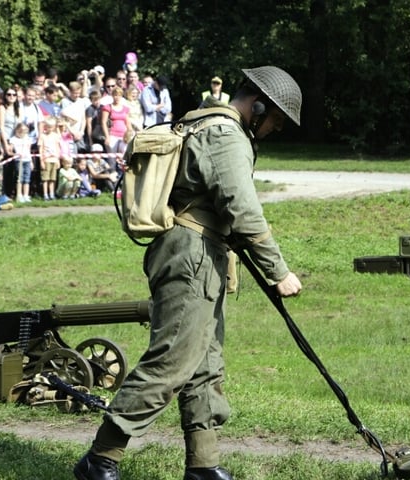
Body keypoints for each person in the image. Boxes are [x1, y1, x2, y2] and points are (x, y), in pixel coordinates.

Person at [73, 65, 304, 480]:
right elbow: (243, 210)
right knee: (171, 362)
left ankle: (203, 465)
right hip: (191, 254)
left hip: (203, 252)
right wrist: (278, 271)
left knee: (204, 367)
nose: (275, 129)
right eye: (276, 121)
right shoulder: (225, 134)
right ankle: (100, 459)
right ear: (259, 107)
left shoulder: (208, 125)